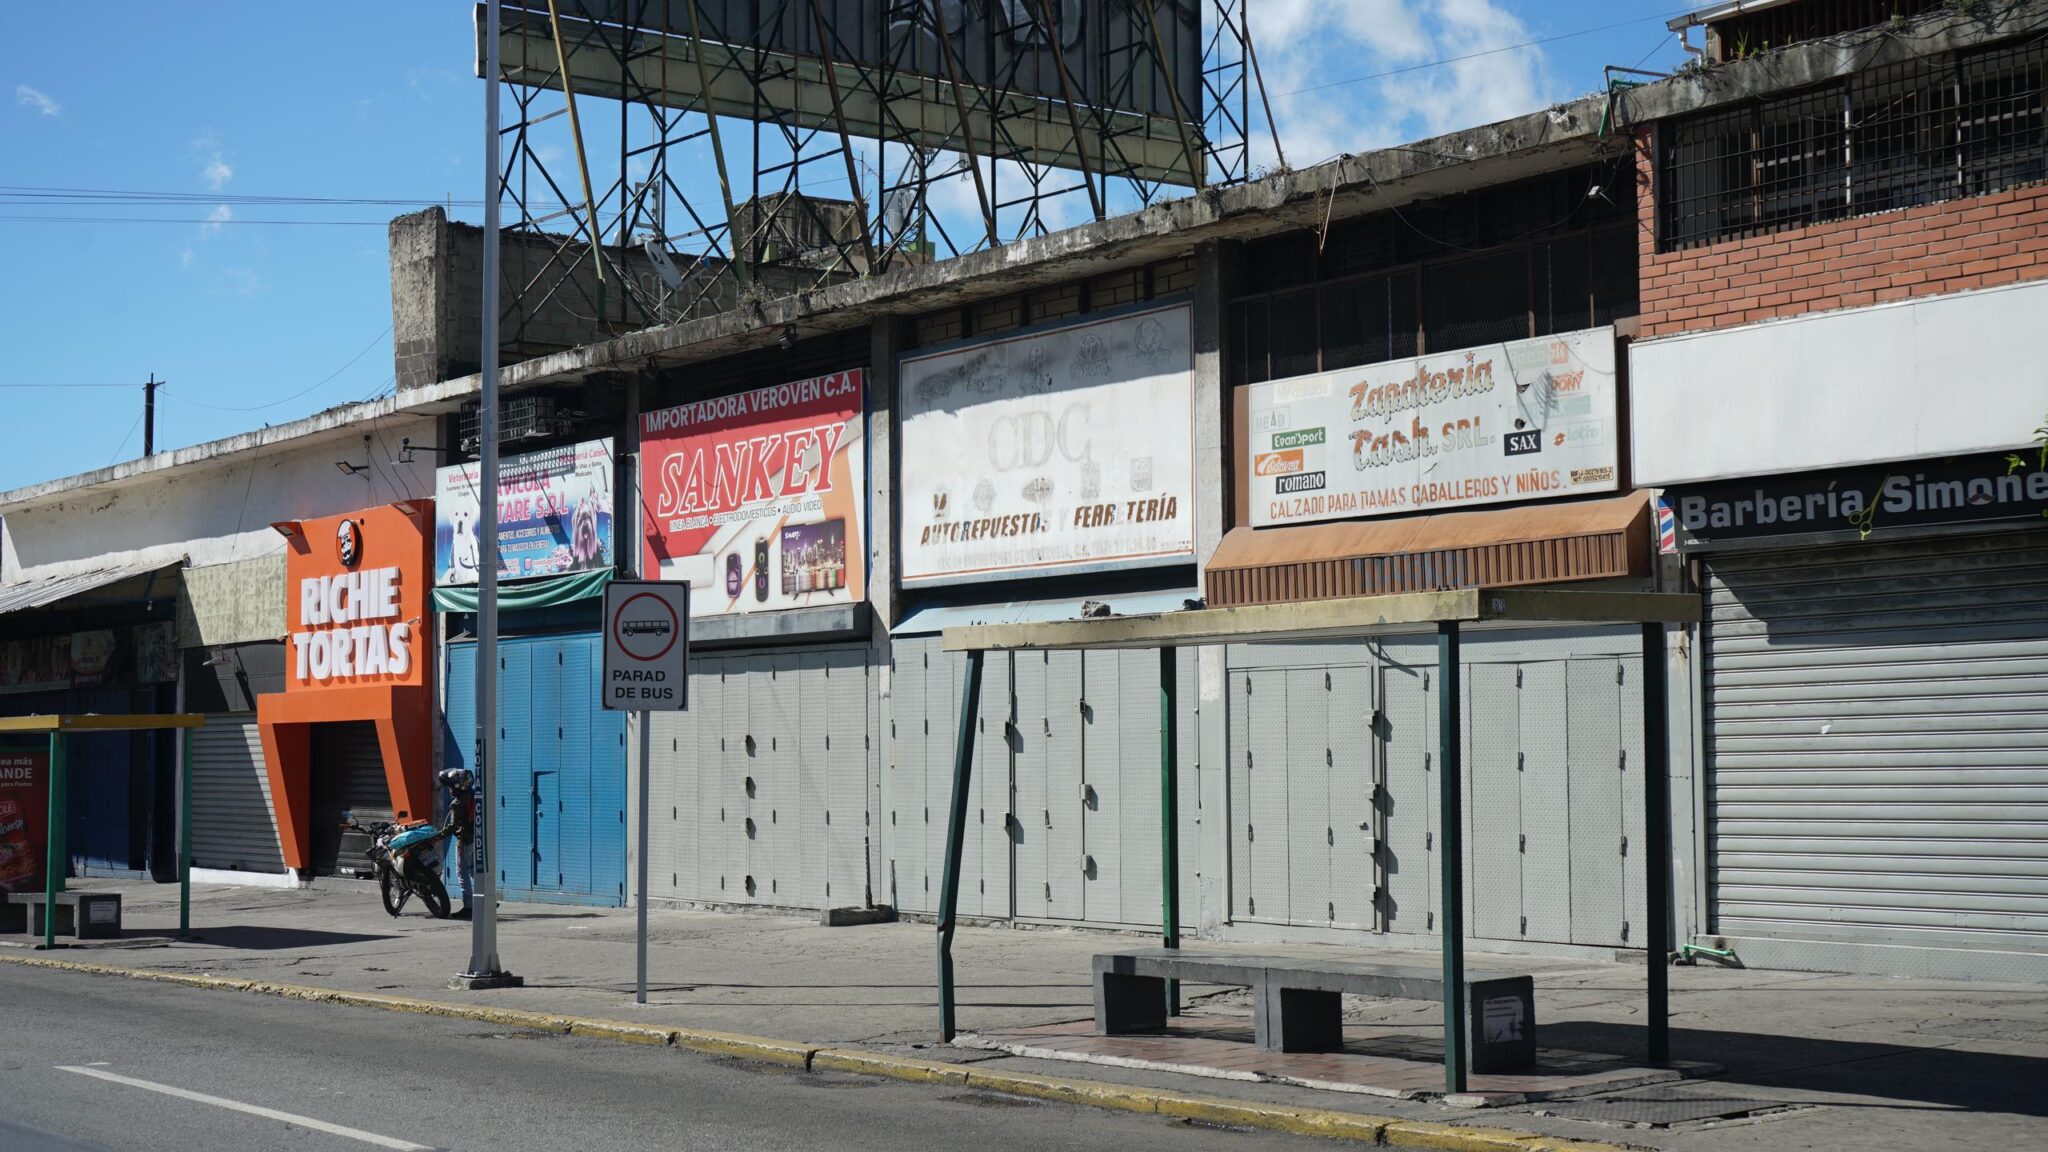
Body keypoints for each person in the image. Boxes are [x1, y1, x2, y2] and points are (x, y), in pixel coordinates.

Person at [437, 768, 477, 920]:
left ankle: (468, 907)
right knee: (474, 870)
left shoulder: (458, 803)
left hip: (465, 841)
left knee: (462, 872)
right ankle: (486, 899)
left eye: (451, 786)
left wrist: (437, 836)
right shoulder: (473, 795)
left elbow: (452, 826)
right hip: (476, 840)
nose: (449, 789)